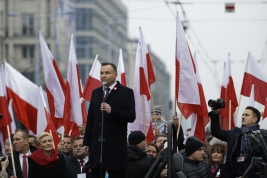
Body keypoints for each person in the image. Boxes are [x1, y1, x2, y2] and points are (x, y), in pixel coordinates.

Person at [83, 62, 136, 178]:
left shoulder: (126, 92)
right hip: (97, 146)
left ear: (115, 74)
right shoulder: (96, 92)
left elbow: (131, 116)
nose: (103, 75)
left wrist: (112, 111)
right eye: (101, 73)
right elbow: (91, 119)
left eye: (107, 73)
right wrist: (86, 142)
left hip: (115, 147)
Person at [210, 106, 267, 177]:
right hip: (235, 174)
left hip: (255, 175)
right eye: (243, 115)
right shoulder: (234, 133)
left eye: (246, 115)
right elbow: (216, 132)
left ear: (254, 119)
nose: (243, 117)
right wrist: (215, 113)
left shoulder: (263, 136)